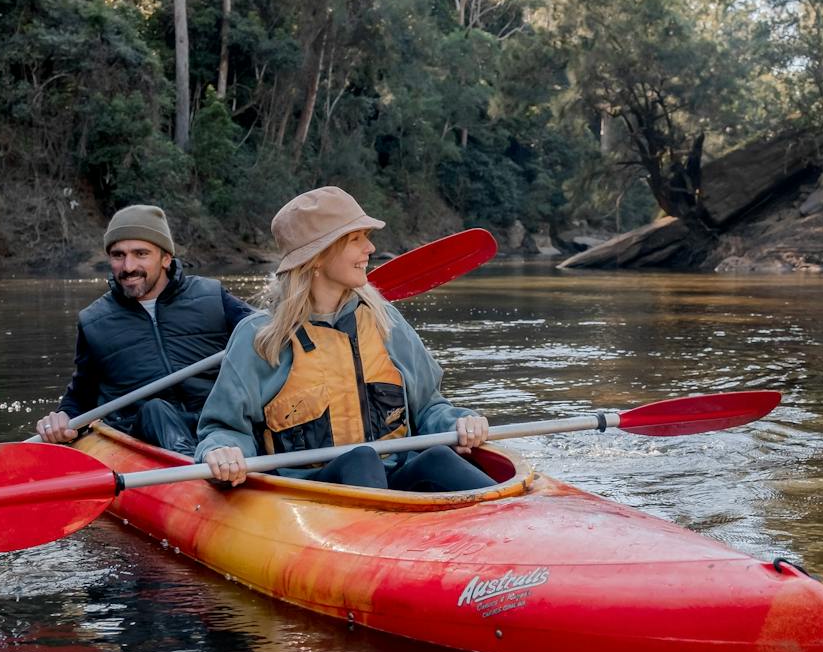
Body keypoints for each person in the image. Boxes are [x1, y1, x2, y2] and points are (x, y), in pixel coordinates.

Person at [197, 186, 495, 493]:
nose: (370, 248)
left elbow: (429, 406)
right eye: (356, 239)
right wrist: (223, 450)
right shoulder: (259, 338)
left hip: (394, 477)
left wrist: (458, 421)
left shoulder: (385, 320)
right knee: (361, 459)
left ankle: (508, 516)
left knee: (437, 459)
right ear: (316, 258)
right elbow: (225, 428)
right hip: (310, 494)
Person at [35, 204, 254, 456]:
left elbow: (267, 336)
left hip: (219, 426)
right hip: (148, 435)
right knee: (156, 410)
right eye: (118, 255)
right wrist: (60, 420)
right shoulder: (94, 321)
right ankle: (195, 466)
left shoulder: (211, 296)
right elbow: (81, 399)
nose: (128, 267)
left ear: (165, 258)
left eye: (141, 254)